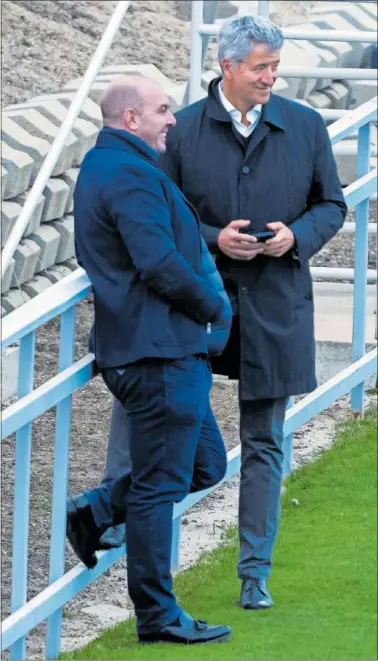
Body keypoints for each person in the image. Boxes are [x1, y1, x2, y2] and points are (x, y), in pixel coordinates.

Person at [96, 14, 347, 610]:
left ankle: (254, 573)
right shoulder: (176, 131)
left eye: (275, 67)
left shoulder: (307, 126)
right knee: (151, 416)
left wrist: (297, 236)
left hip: (277, 306)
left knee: (265, 440)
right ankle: (109, 511)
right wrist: (214, 238)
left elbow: (331, 204)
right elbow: (153, 216)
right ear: (227, 66)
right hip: (191, 309)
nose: (271, 78)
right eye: (261, 67)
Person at [69, 74, 232, 645]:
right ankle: (157, 616)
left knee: (206, 465)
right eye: (163, 110)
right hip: (155, 353)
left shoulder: (112, 166)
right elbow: (158, 262)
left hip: (162, 349)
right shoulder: (127, 173)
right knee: (160, 488)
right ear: (130, 118)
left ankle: (95, 511)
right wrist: (214, 304)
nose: (173, 119)